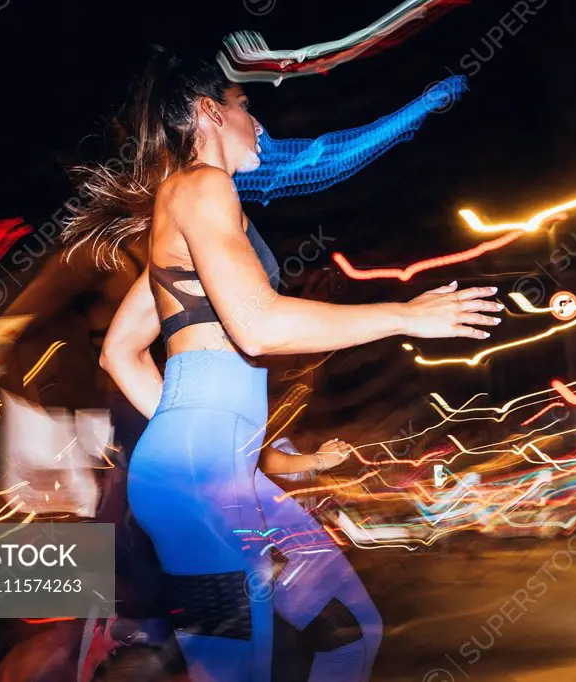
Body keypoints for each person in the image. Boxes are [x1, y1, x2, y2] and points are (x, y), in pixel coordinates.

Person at [60, 47, 501, 682]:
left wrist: (195, 436)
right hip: (196, 487)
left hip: (215, 477)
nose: (262, 128)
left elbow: (119, 351)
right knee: (234, 672)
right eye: (248, 109)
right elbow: (259, 326)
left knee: (349, 632)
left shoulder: (189, 213)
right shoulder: (200, 187)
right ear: (211, 111)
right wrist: (406, 315)